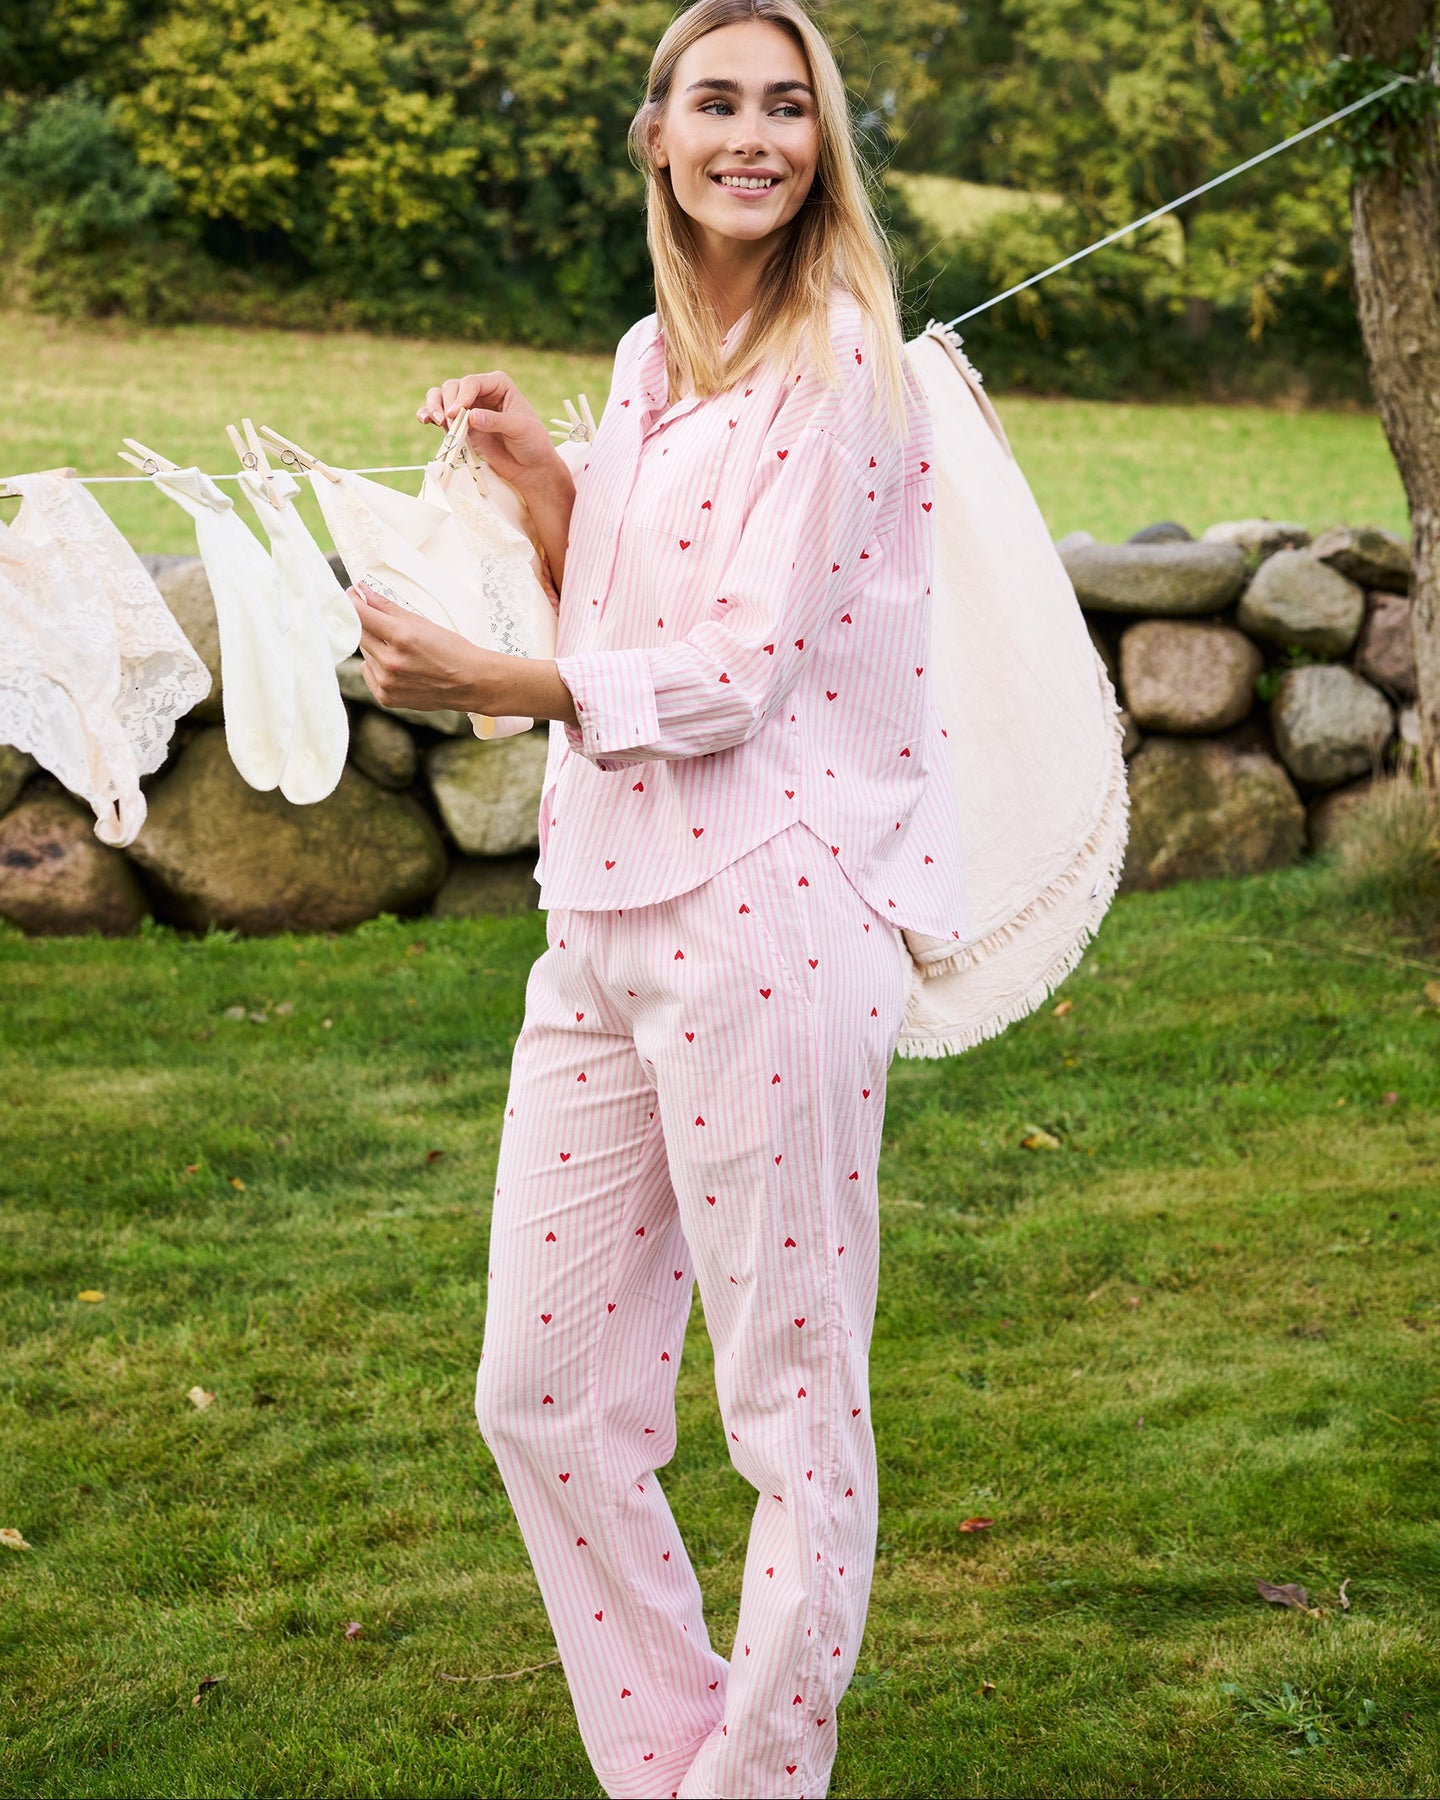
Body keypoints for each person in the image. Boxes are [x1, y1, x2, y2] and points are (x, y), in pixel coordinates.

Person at [348, 3, 966, 1793]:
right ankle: (675, 1760)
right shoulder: (647, 353)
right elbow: (621, 597)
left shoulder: (843, 362)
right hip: (602, 908)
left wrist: (496, 679)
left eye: (789, 105)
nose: (754, 135)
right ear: (657, 137)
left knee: (791, 1403)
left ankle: (758, 1779)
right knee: (539, 1395)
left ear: (823, 141)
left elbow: (740, 670)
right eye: (719, 103)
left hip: (770, 903)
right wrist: (546, 480)